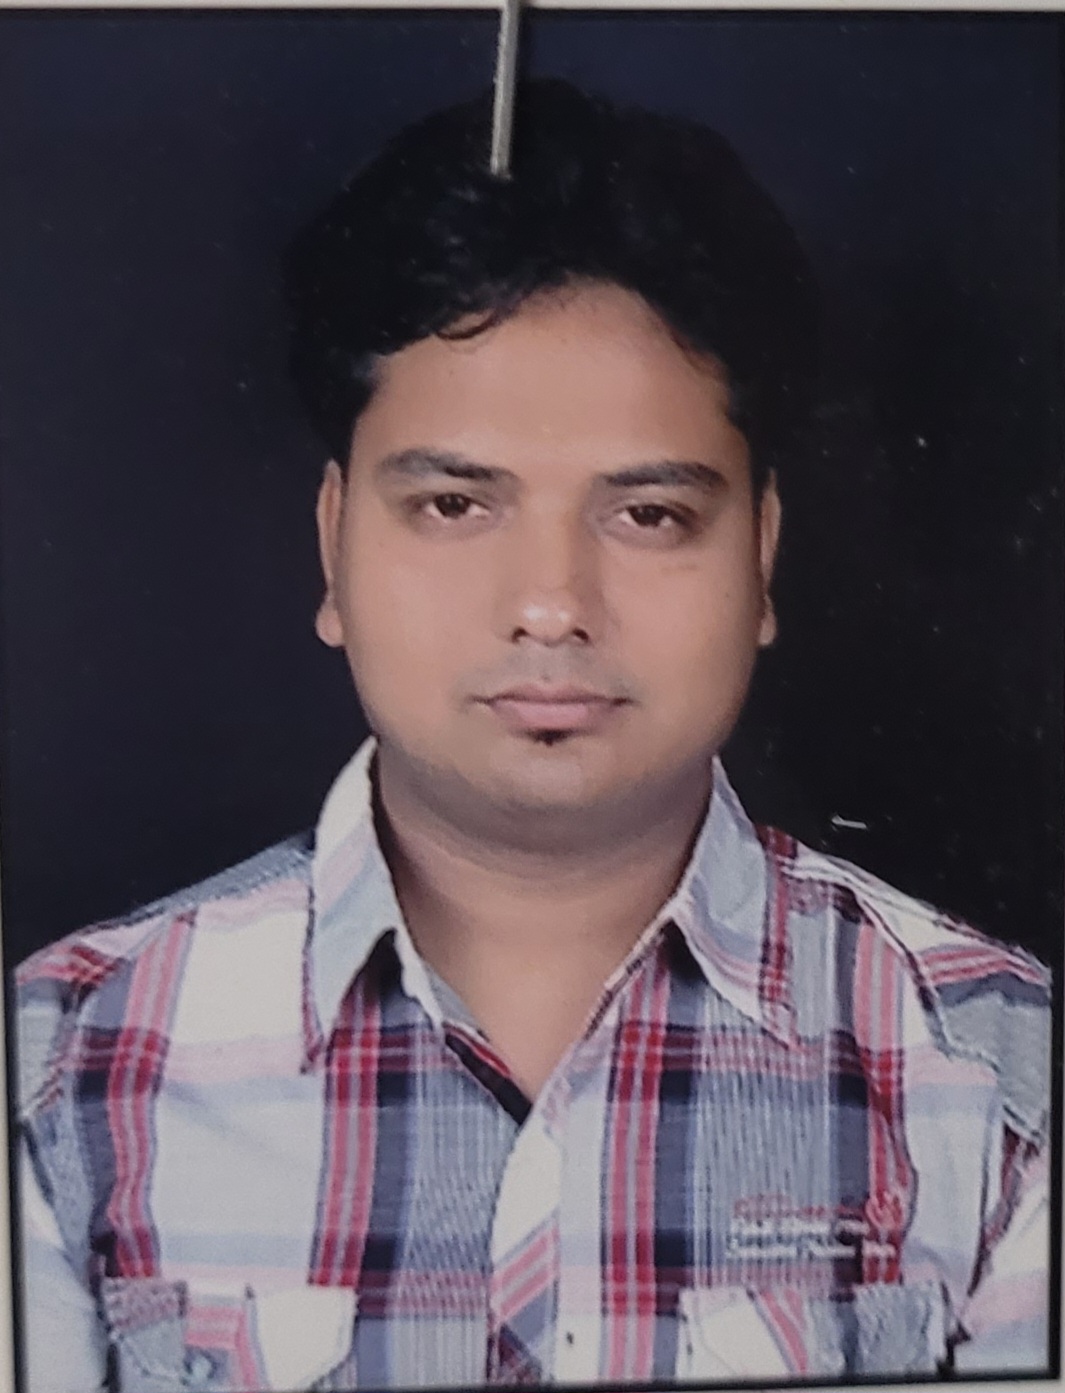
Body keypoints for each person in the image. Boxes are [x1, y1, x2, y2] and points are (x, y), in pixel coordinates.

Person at [14, 80, 1051, 1392]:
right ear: (333, 543)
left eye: (648, 516)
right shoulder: (62, 1072)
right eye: (455, 505)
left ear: (761, 555)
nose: (552, 603)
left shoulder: (1001, 1080)